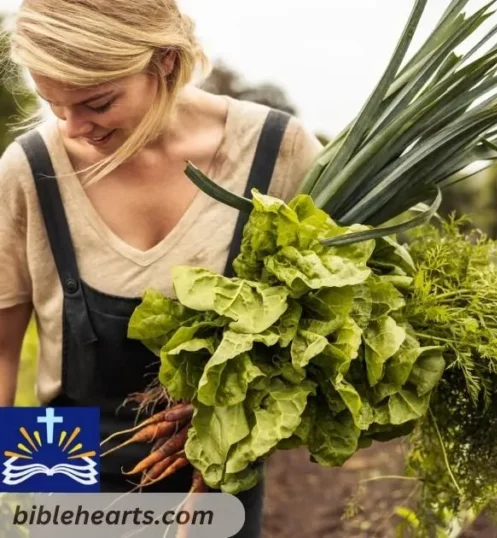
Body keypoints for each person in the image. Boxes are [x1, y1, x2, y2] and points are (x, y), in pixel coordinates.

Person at [0, 1, 323, 536]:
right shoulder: (29, 168)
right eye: (54, 105)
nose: (74, 128)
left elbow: (322, 327)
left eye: (97, 102)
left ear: (165, 62)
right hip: (60, 449)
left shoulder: (275, 152)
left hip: (214, 462)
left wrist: (236, 417)